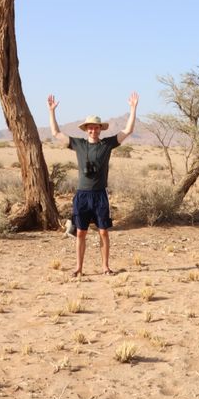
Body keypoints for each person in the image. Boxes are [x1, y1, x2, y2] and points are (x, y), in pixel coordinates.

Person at [47, 92, 139, 276]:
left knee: (103, 232)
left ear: (100, 129)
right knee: (80, 233)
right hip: (82, 195)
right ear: (86, 129)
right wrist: (51, 112)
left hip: (99, 195)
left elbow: (127, 131)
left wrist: (133, 108)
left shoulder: (107, 144)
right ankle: (78, 268)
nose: (93, 131)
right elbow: (56, 133)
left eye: (96, 128)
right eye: (90, 128)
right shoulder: (78, 144)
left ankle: (105, 267)